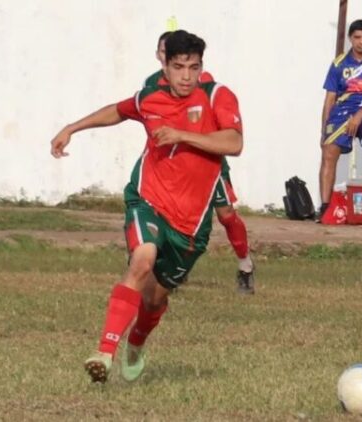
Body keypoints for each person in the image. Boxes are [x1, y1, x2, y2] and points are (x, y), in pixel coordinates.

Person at [50, 30, 245, 383]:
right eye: (178, 67)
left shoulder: (217, 95)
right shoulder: (151, 97)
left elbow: (233, 142)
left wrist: (182, 134)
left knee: (154, 300)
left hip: (190, 223)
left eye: (193, 67)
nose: (186, 76)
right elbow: (119, 111)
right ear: (164, 66)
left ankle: (136, 342)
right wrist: (72, 127)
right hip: (148, 200)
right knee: (142, 261)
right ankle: (104, 352)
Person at [145, 31, 257, 294]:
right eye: (164, 52)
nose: (184, 71)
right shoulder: (151, 85)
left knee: (226, 214)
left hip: (207, 162)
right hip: (173, 168)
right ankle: (169, 269)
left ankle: (246, 265)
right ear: (160, 57)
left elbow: (223, 130)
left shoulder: (203, 84)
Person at [319, 19, 362, 219]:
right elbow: (330, 98)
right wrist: (324, 131)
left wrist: (359, 115)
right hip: (341, 112)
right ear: (350, 38)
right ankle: (325, 207)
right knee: (329, 151)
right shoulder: (338, 63)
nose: (361, 42)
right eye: (357, 37)